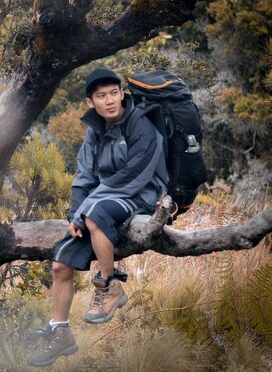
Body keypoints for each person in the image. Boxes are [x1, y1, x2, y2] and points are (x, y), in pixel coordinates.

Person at [28, 68, 168, 367]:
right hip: (99, 203)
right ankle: (60, 332)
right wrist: (74, 212)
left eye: (114, 93)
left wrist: (84, 212)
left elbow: (132, 176)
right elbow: (84, 176)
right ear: (91, 102)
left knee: (94, 214)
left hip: (140, 197)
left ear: (122, 93)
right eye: (101, 96)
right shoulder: (95, 131)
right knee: (60, 265)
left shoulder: (141, 125)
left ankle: (110, 285)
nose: (110, 100)